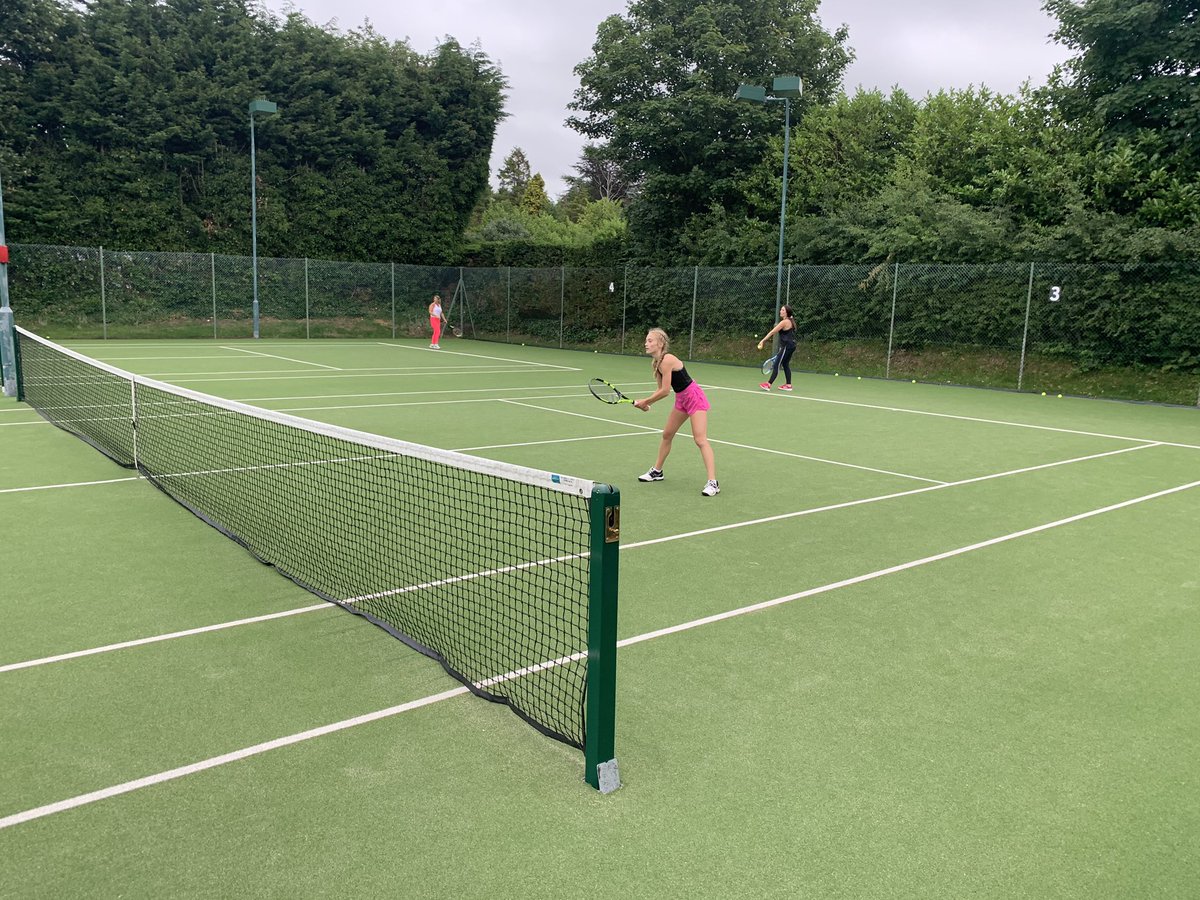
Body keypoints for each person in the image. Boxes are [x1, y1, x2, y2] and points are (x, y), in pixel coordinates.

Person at [632, 327, 720, 497]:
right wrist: (646, 405)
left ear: (661, 343)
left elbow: (665, 391)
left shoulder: (668, 359)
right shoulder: (657, 364)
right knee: (667, 434)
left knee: (700, 439)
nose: (646, 343)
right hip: (682, 400)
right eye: (646, 340)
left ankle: (713, 483)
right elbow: (660, 390)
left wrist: (645, 401)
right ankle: (657, 471)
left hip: (694, 397)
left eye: (650, 340)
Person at [757, 304, 797, 391]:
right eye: (781, 310)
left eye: (783, 310)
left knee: (776, 364)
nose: (780, 311)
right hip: (791, 345)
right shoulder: (791, 321)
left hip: (787, 346)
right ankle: (788, 385)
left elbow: (772, 332)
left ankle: (768, 384)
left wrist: (763, 340)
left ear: (787, 313)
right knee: (785, 364)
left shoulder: (784, 322)